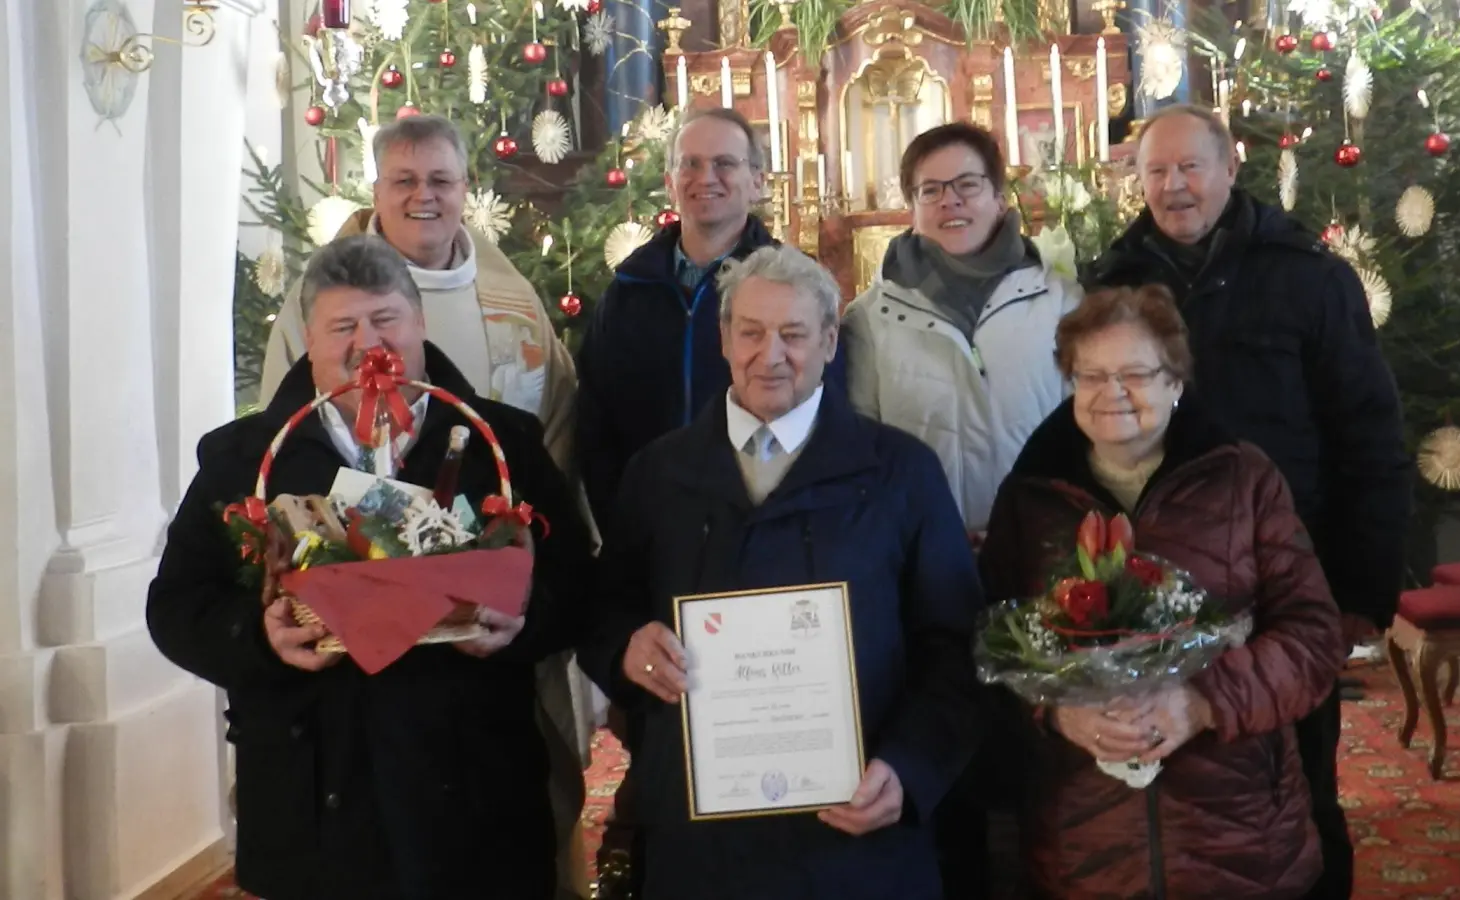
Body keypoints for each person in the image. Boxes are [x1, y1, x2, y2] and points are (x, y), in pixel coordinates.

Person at [147, 235, 595, 900]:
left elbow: (580, 584)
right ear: (307, 339)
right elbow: (176, 607)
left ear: (418, 321)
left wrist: (520, 624)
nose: (367, 343)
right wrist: (262, 637)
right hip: (313, 798)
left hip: (473, 800)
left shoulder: (503, 445)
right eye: (342, 326)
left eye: (385, 320)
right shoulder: (243, 461)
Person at [578, 245, 984, 899]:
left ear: (829, 341)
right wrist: (627, 650)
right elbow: (605, 610)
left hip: (858, 842)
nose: (772, 354)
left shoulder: (900, 473)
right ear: (723, 339)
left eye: (794, 334)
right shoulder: (657, 473)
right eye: (752, 332)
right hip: (701, 845)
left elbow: (956, 647)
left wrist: (910, 768)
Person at [256, 114, 590, 895]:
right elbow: (282, 445)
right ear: (375, 190)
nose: (423, 197)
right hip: (340, 665)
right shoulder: (319, 298)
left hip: (471, 649)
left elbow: (555, 436)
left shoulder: (510, 295)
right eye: (403, 181)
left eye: (441, 180)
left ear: (466, 190)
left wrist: (520, 570)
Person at [1085, 103, 1411, 899]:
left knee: (1298, 794)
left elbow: (1370, 434)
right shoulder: (1111, 284)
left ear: (1231, 168)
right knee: (1181, 811)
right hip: (1155, 592)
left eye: (1190, 167)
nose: (1174, 187)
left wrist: (1362, 593)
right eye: (1155, 172)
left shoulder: (1311, 277)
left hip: (1286, 589)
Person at [980, 284, 1347, 898]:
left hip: (1238, 832)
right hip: (1085, 840)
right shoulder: (1032, 496)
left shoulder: (1242, 478)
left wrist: (1201, 702)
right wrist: (1056, 709)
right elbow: (992, 643)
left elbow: (1313, 636)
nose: (1111, 394)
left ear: (1175, 381)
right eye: (1090, 375)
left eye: (1135, 373)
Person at [577, 107, 845, 539]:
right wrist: (623, 523)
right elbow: (595, 426)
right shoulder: (628, 291)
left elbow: (832, 407)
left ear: (757, 181)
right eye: (691, 164)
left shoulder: (795, 287)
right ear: (670, 183)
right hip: (653, 528)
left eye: (724, 163)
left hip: (770, 526)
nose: (706, 178)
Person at [843, 121, 1081, 538]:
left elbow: (1088, 427)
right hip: (923, 547)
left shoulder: (1061, 301)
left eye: (967, 185)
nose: (949, 201)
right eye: (930, 190)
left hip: (1042, 542)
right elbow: (860, 448)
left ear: (999, 198)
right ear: (912, 210)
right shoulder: (869, 318)